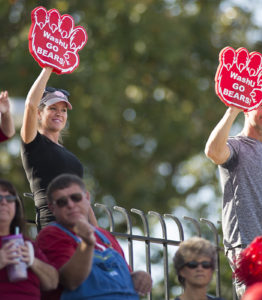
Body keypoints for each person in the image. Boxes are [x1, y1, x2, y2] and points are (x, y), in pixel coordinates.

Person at [205, 89, 262, 298]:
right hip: (248, 249)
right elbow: (212, 152)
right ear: (247, 110)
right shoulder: (235, 147)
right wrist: (233, 110)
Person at [36, 173, 152, 300]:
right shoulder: (51, 235)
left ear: (87, 197)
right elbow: (71, 281)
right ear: (52, 207)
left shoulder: (105, 236)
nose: (70, 204)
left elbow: (124, 277)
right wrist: (87, 244)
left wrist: (138, 276)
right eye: (62, 202)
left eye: (76, 197)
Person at [21, 67, 97, 230]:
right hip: (54, 226)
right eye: (52, 108)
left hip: (81, 230)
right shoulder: (34, 143)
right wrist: (48, 67)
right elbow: (30, 105)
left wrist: (100, 237)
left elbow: (83, 200)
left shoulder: (69, 155)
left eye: (63, 110)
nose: (59, 114)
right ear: (40, 114)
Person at [0, 178, 58, 299]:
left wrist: (33, 261)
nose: (4, 202)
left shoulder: (26, 244)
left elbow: (53, 282)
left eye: (10, 199)